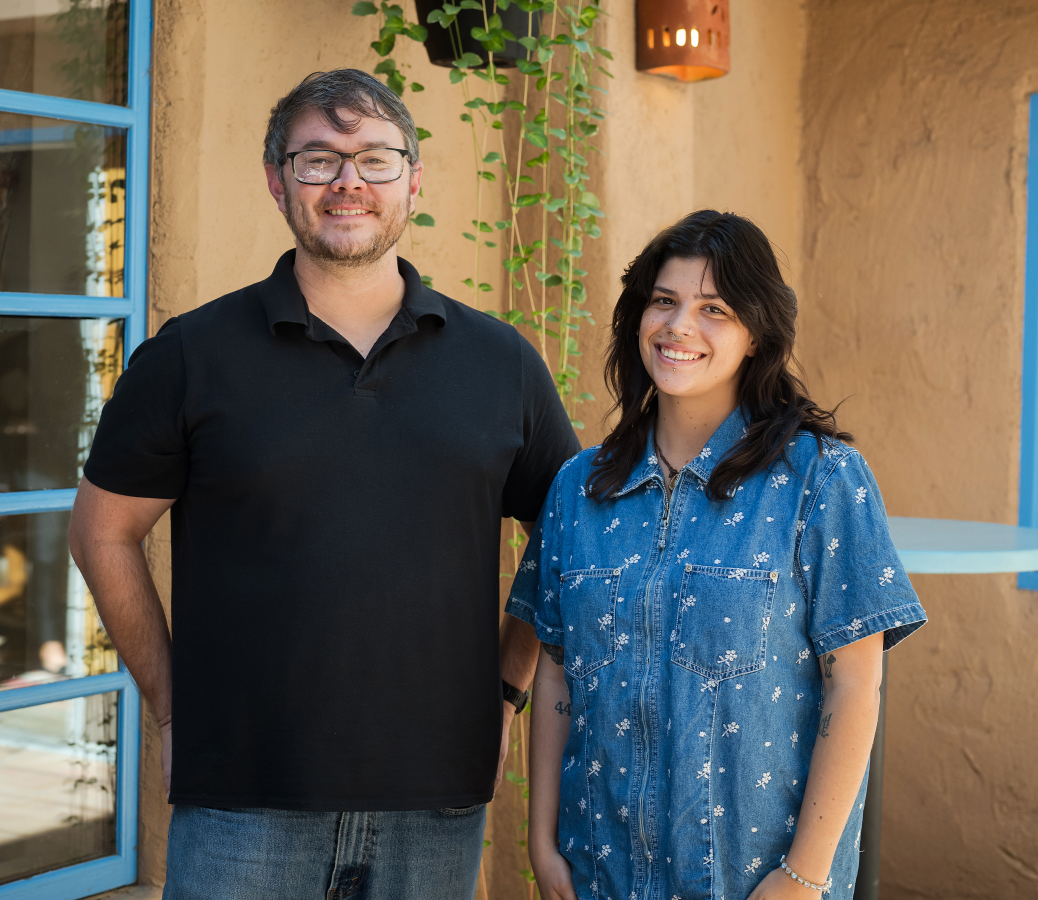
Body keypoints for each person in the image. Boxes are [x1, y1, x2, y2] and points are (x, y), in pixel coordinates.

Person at [67, 69, 580, 899]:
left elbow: (572, 538)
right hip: (243, 802)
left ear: (414, 180)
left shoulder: (503, 363)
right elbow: (101, 532)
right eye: (317, 160)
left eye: (376, 159)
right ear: (277, 182)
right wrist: (171, 708)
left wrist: (507, 692)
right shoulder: (190, 355)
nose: (349, 182)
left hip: (437, 800)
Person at [507, 211, 928, 900]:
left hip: (755, 884)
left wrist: (803, 877)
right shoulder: (577, 489)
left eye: (713, 309)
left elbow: (855, 684)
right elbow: (555, 669)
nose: (678, 327)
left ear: (756, 333)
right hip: (597, 875)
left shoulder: (820, 481)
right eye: (664, 302)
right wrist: (543, 841)